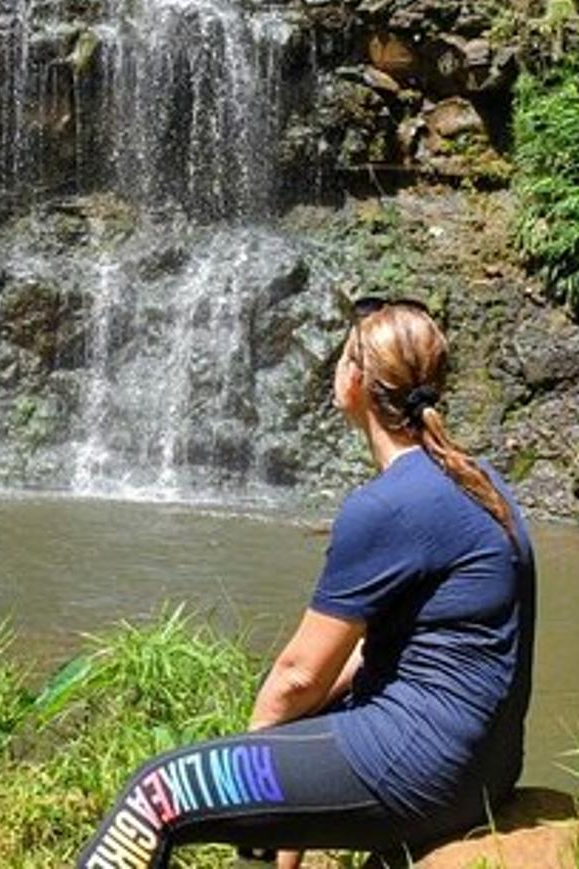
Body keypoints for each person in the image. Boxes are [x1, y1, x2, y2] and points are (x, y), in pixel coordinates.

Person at [77, 298, 536, 869]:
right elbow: (360, 659)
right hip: (483, 767)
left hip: (419, 768)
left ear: (356, 379)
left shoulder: (389, 506)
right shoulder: (480, 480)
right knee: (306, 722)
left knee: (157, 792)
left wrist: (249, 751)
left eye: (343, 357)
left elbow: (297, 676)